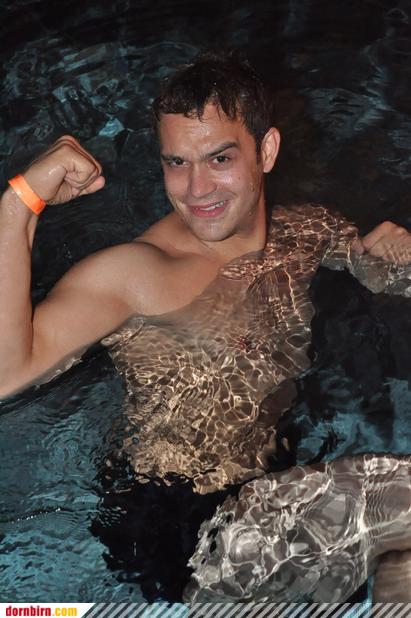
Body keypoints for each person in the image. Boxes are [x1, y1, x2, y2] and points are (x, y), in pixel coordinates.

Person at [0, 50, 410, 598]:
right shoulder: (136, 274)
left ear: (266, 150)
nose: (196, 190)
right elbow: (7, 375)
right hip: (177, 523)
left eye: (219, 158)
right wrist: (19, 205)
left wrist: (391, 261)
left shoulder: (306, 233)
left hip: (271, 487)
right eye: (177, 162)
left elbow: (380, 273)